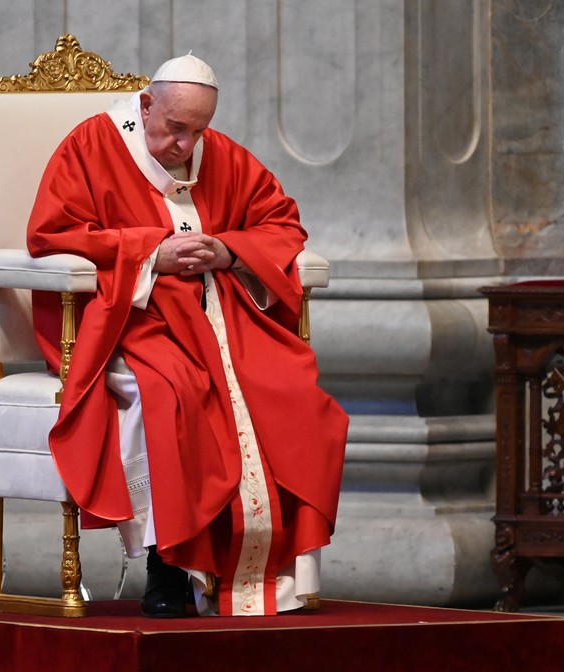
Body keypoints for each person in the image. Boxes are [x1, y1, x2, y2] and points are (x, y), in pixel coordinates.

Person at [25, 54, 349, 618]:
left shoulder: (217, 152)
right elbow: (51, 234)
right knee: (173, 391)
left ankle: (268, 572)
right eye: (175, 128)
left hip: (223, 315)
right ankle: (170, 568)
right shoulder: (90, 147)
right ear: (146, 105)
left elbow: (281, 222)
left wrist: (228, 250)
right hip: (130, 318)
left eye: (198, 129)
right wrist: (152, 252)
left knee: (294, 393)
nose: (185, 146)